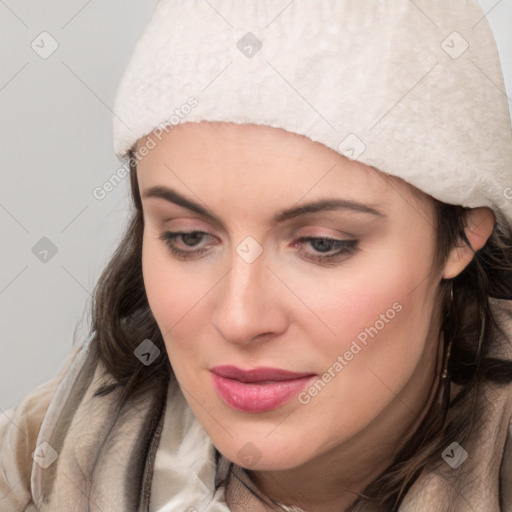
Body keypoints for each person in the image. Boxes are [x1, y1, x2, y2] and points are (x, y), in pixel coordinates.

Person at [1, 1, 512, 511]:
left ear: (462, 236)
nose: (240, 319)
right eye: (189, 237)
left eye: (322, 244)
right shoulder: (40, 454)